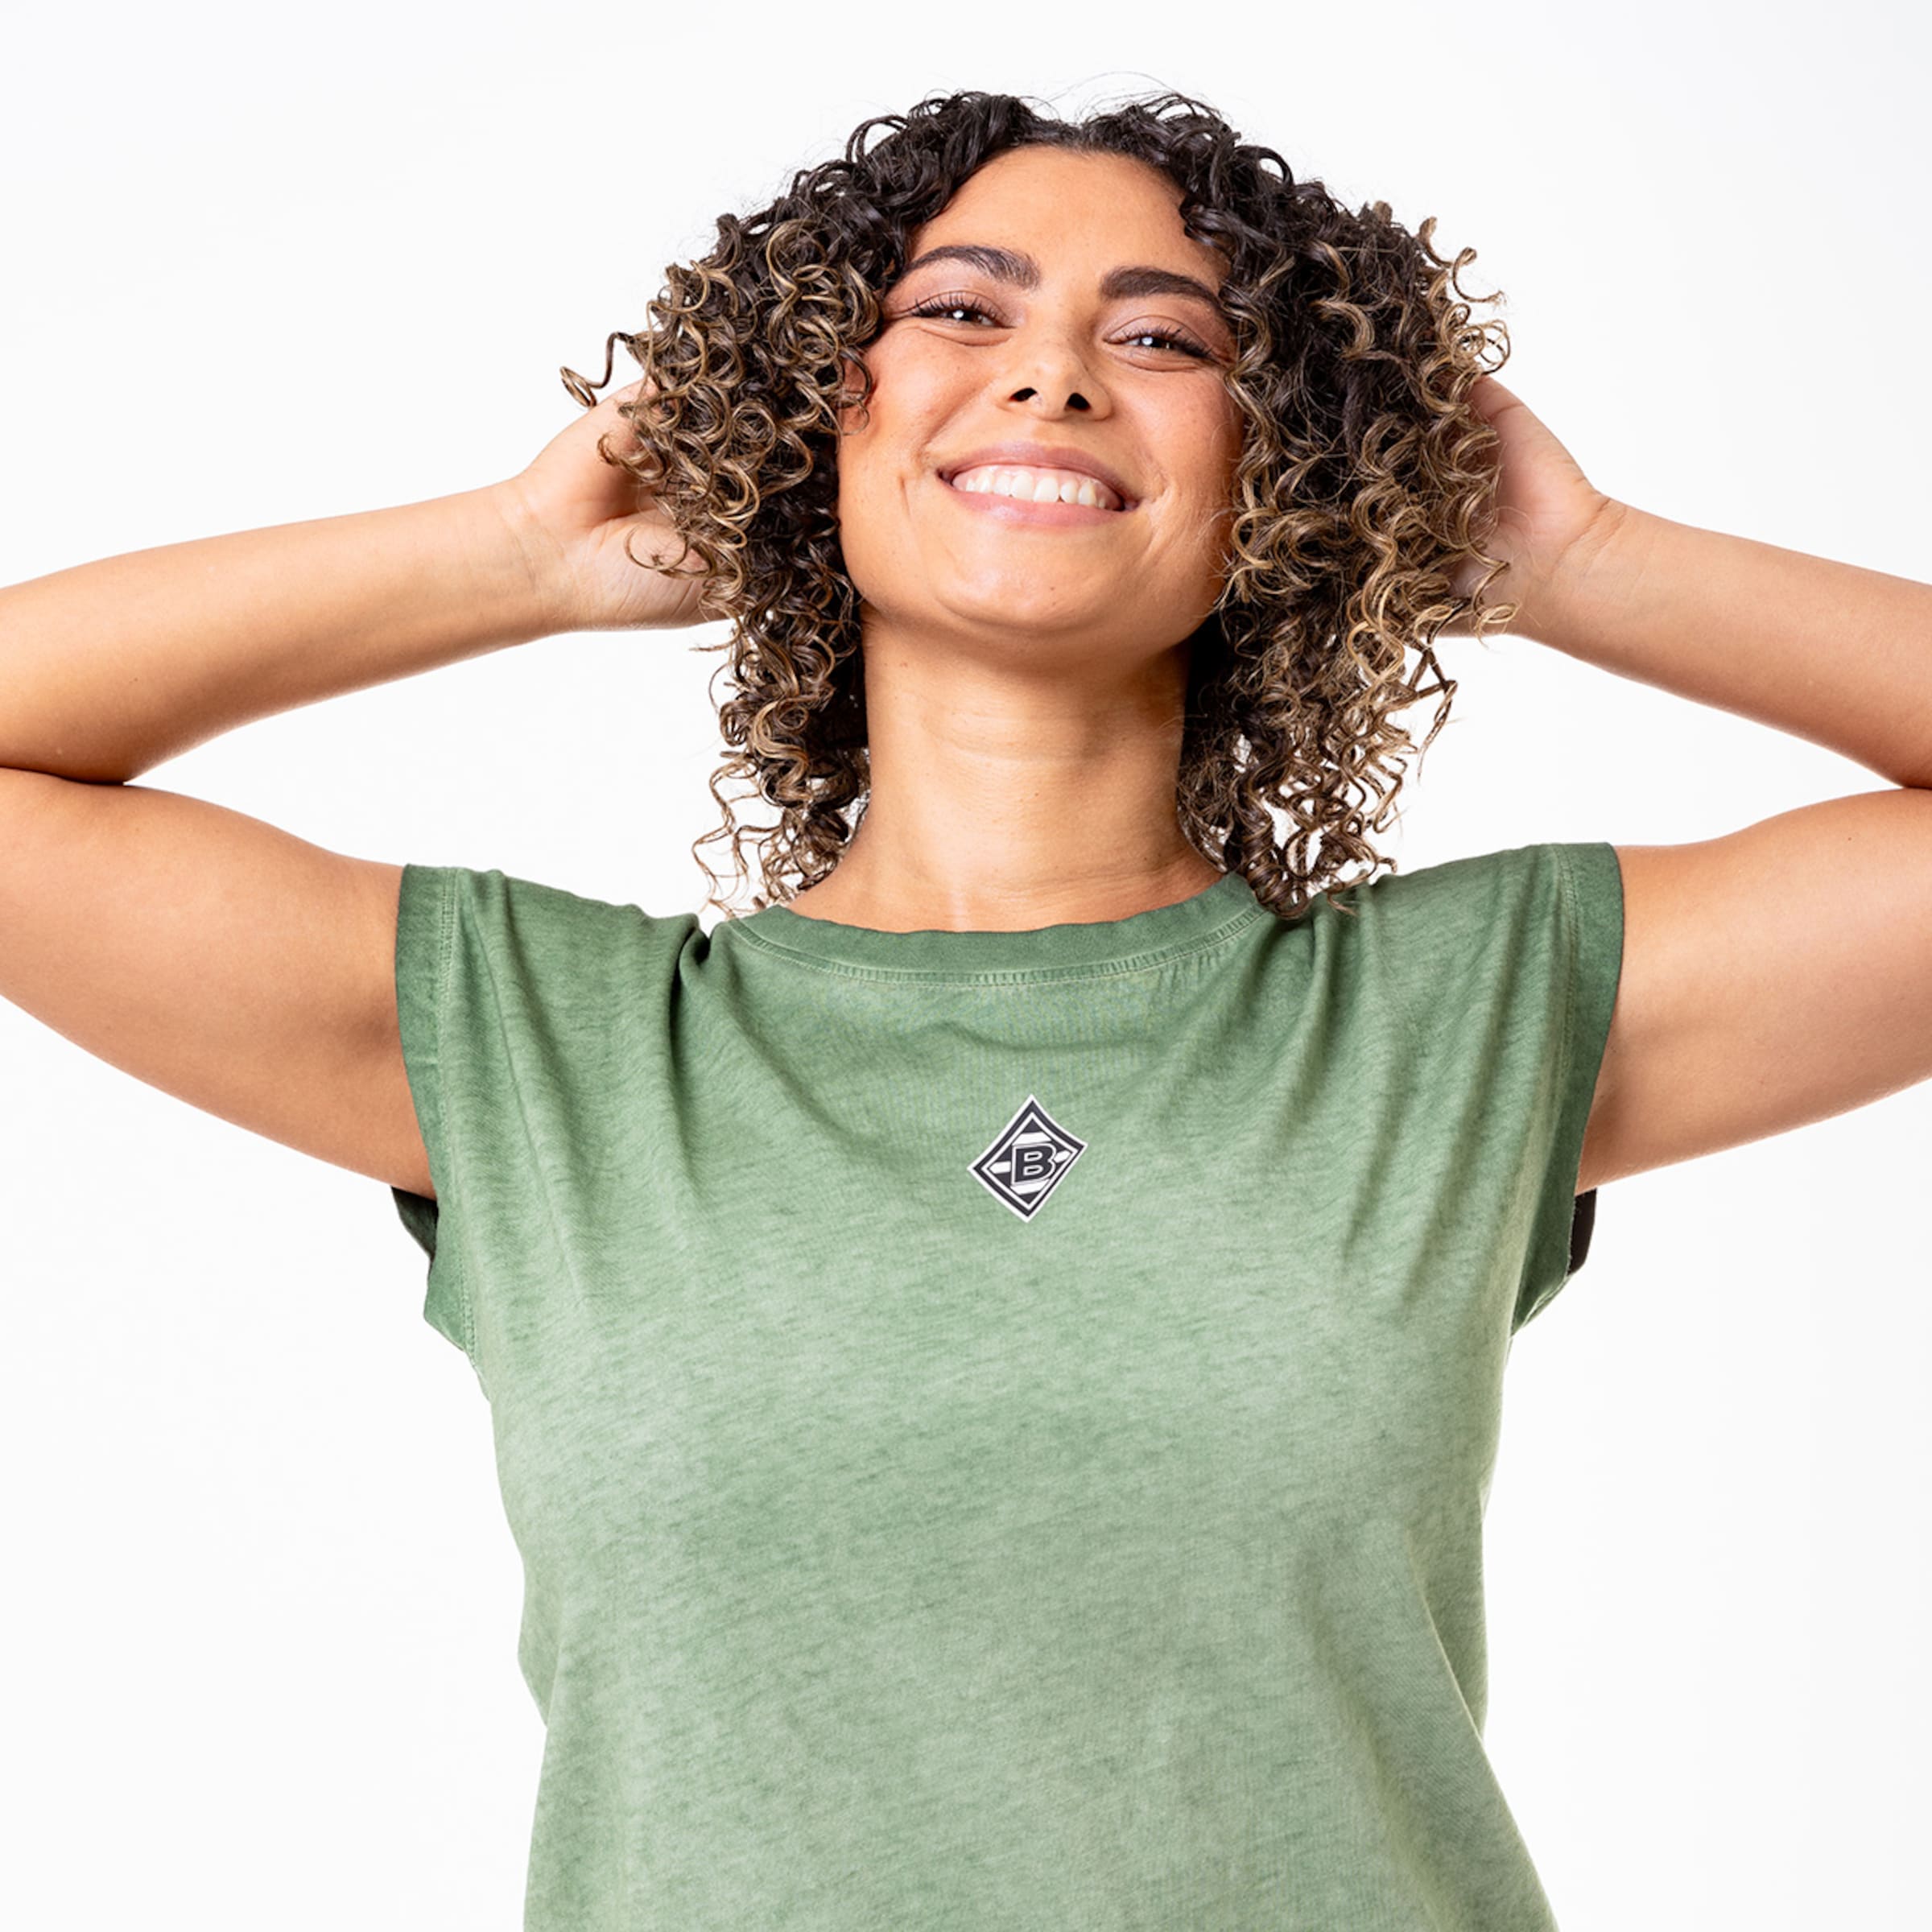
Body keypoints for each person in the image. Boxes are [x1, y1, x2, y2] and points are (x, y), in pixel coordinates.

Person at [3, 84, 1929, 1931]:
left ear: (1288, 478)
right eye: (957, 311)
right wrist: (515, 552)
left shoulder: (1465, 1019)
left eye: (1165, 339)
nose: (1055, 373)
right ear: (804, 420)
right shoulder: (542, 1050)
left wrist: (1584, 566)